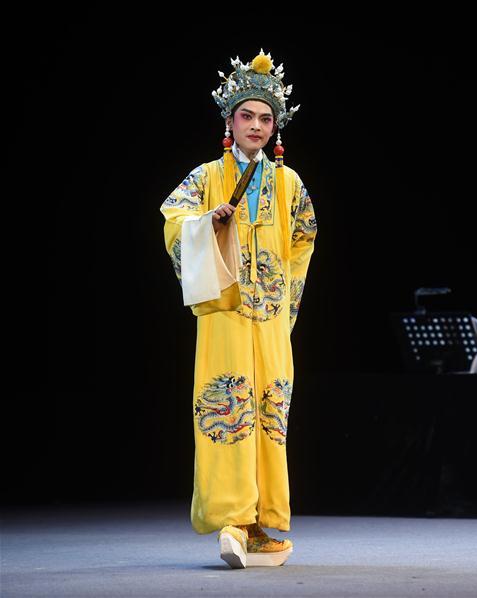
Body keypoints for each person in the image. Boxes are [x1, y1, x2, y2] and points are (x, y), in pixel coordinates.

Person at [159, 50, 317, 568]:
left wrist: (281, 305)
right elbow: (173, 222)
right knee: (227, 410)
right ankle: (234, 519)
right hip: (226, 314)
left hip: (269, 317)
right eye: (247, 116)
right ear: (229, 121)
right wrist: (209, 223)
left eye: (266, 118)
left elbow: (301, 245)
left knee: (270, 412)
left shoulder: (290, 184)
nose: (256, 126)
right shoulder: (206, 177)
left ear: (276, 126)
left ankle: (261, 522)